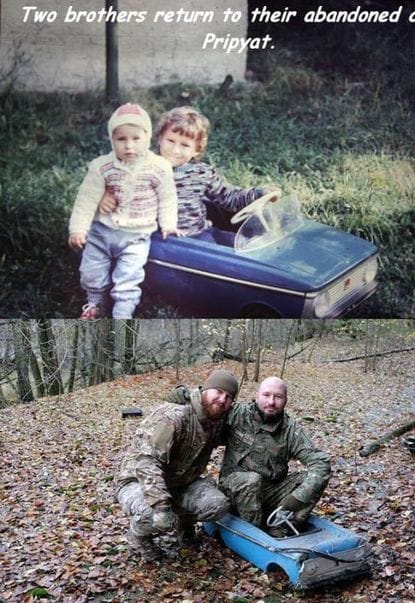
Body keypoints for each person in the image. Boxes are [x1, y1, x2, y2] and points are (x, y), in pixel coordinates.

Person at [100, 106, 280, 244]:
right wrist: (107, 195)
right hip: (165, 240)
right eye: (170, 141)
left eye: (185, 145)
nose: (175, 150)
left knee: (243, 244)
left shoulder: (201, 173)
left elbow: (229, 197)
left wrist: (259, 193)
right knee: (221, 261)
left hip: (200, 234)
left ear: (196, 150)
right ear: (160, 139)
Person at [68, 103, 179, 320]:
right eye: (121, 139)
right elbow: (86, 198)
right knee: (91, 271)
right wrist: (78, 229)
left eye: (136, 139)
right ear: (112, 139)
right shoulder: (102, 166)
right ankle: (94, 304)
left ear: (147, 137)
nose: (129, 146)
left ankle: (123, 312)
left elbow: (167, 198)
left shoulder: (159, 167)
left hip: (136, 236)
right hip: (102, 232)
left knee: (129, 275)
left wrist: (168, 224)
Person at [115, 369, 238, 561]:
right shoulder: (174, 416)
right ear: (205, 389)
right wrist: (161, 505)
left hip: (181, 481)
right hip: (137, 481)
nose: (222, 399)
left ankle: (184, 526)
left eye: (228, 396)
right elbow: (146, 462)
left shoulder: (217, 419)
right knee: (153, 514)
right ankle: (138, 536)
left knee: (217, 505)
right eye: (218, 391)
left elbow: (251, 416)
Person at [219, 376, 331, 536]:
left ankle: (279, 526)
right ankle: (255, 535)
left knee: (309, 479)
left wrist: (298, 498)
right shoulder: (236, 414)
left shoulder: (290, 430)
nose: (271, 402)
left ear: (285, 400)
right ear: (257, 396)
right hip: (233, 491)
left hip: (269, 492)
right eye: (266, 395)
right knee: (251, 480)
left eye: (278, 397)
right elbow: (208, 407)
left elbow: (320, 463)